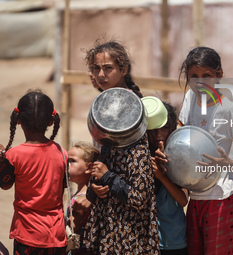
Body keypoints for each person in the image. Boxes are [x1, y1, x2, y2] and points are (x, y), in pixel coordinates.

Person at [82, 39, 159, 254]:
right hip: (110, 217)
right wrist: (97, 185)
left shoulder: (130, 109)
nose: (101, 75)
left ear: (123, 69)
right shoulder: (107, 105)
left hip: (129, 226)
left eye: (108, 68)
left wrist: (107, 176)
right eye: (96, 69)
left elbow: (139, 193)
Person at [178, 46, 233, 255]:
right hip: (195, 197)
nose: (199, 81)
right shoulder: (189, 99)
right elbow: (181, 139)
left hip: (221, 197)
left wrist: (230, 163)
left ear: (219, 75)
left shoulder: (229, 108)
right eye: (193, 76)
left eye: (207, 75)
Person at [0, 89, 67, 254]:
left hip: (27, 235)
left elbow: (5, 185)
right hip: (56, 235)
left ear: (18, 121)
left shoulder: (13, 155)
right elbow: (62, 187)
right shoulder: (61, 152)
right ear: (51, 121)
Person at [147, 101, 188, 255]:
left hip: (173, 240)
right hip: (147, 240)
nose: (159, 135)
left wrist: (162, 176)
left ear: (172, 128)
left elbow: (183, 200)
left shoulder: (180, 158)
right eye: (153, 130)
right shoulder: (141, 158)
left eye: (164, 128)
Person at [65, 141, 101, 255]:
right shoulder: (85, 194)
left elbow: (72, 226)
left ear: (89, 167)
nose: (67, 166)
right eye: (67, 161)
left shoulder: (82, 198)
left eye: (72, 161)